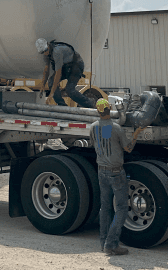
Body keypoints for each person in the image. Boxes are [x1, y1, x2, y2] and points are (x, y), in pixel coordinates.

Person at [89, 97, 145, 256]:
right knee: (121, 208)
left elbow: (95, 143)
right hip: (115, 172)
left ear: (98, 111)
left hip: (101, 171)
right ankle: (111, 244)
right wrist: (136, 133)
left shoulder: (93, 127)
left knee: (105, 207)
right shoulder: (116, 128)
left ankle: (103, 243)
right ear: (109, 109)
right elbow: (128, 148)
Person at [36, 37, 94, 108]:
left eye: (46, 50)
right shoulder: (47, 54)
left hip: (76, 66)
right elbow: (46, 70)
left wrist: (51, 94)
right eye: (43, 52)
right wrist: (42, 86)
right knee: (51, 81)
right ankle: (63, 106)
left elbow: (58, 74)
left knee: (69, 90)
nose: (45, 53)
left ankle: (90, 105)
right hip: (66, 67)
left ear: (48, 45)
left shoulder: (57, 52)